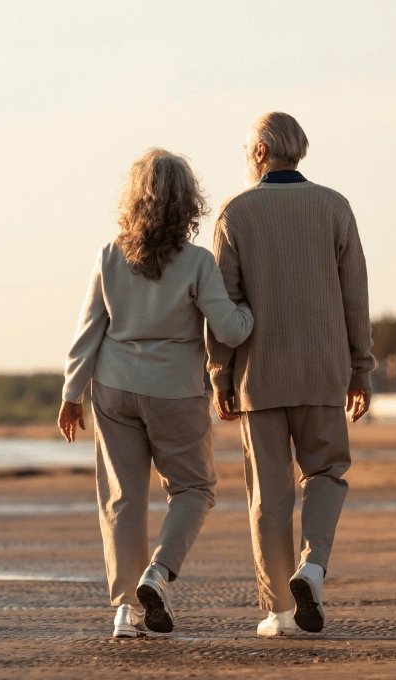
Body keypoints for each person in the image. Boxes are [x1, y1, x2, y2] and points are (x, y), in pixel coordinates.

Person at [58, 149, 254, 638]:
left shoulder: (109, 255)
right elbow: (229, 331)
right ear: (188, 202)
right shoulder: (197, 263)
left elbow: (88, 332)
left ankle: (125, 610)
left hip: (114, 387)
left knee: (122, 500)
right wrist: (250, 310)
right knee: (194, 489)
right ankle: (158, 573)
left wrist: (71, 393)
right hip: (175, 392)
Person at [206, 112, 375, 637]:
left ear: (259, 153)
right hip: (323, 370)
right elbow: (355, 296)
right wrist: (361, 369)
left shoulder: (234, 213)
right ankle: (313, 568)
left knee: (269, 496)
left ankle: (279, 611)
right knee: (326, 474)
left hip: (260, 376)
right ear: (297, 150)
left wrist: (221, 378)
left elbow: (223, 307)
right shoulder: (335, 207)